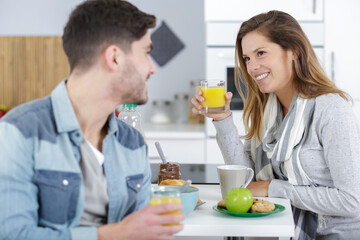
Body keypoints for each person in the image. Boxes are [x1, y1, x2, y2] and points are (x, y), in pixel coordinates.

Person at [0, 1, 185, 239]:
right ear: (114, 58)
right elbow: (11, 234)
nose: (152, 68)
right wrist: (110, 234)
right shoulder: (18, 132)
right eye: (147, 53)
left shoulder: (133, 143)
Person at [192, 10, 360, 240]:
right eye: (247, 58)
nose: (251, 68)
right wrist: (222, 119)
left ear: (294, 51)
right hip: (282, 229)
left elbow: (352, 201)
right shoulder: (267, 110)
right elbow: (247, 180)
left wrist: (273, 189)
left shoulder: (330, 110)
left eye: (261, 53)